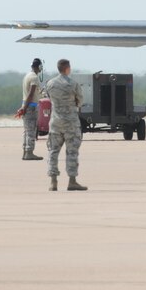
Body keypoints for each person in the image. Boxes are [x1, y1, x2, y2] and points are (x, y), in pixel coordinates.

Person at [45, 59, 87, 191]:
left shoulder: (50, 84)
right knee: (72, 152)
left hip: (55, 123)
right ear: (67, 68)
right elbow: (80, 101)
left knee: (53, 152)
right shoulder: (73, 84)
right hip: (71, 123)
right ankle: (72, 181)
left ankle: (53, 182)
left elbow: (49, 98)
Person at [16, 58, 45, 161]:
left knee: (27, 130)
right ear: (39, 67)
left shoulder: (27, 76)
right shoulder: (34, 78)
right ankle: (29, 152)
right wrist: (25, 108)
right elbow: (31, 93)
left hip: (26, 104)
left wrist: (23, 107)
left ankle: (25, 151)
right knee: (31, 130)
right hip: (31, 107)